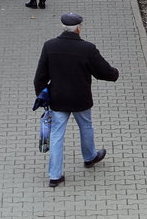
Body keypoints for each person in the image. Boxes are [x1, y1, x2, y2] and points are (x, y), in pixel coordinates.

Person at [33, 13, 119, 188]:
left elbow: (40, 77)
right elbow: (102, 71)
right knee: (86, 127)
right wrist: (114, 74)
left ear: (62, 27)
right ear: (79, 28)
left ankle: (55, 175)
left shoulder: (50, 46)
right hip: (81, 98)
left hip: (58, 99)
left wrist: (42, 96)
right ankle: (89, 157)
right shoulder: (87, 48)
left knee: (57, 135)